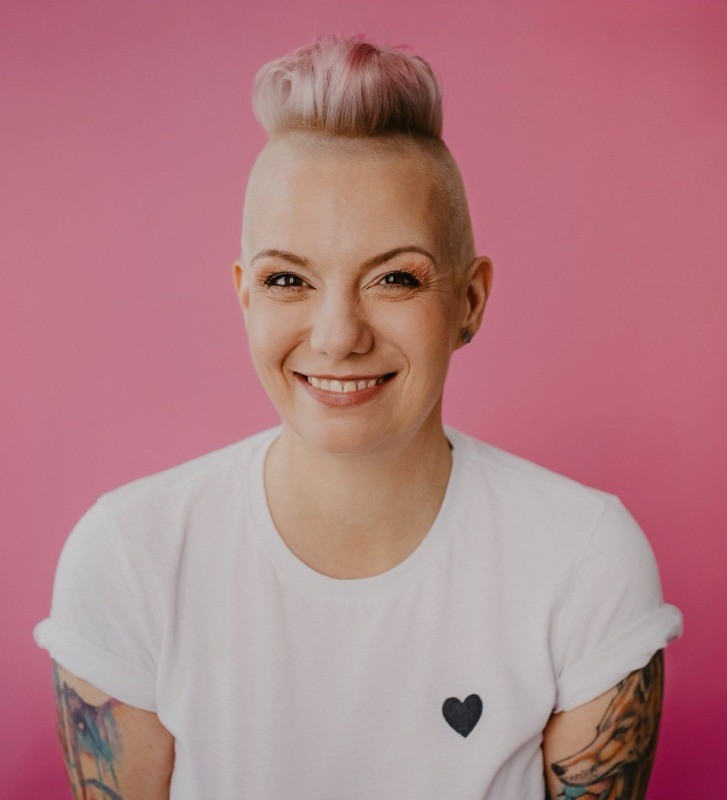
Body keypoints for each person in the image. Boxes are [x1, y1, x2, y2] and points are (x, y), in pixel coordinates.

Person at [33, 35, 682, 800]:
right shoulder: (128, 560)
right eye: (287, 279)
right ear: (245, 296)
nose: (338, 335)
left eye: (395, 278)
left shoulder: (584, 562)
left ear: (469, 300)